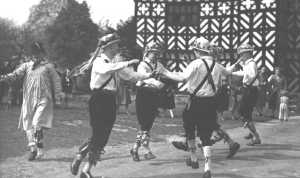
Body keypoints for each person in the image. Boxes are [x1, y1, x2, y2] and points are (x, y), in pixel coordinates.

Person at [70, 33, 153, 178]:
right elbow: (106, 69)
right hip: (98, 99)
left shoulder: (114, 64)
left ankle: (86, 169)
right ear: (108, 47)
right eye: (115, 45)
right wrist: (127, 63)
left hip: (110, 101)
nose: (117, 48)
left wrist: (149, 76)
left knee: (104, 136)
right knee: (98, 134)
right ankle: (80, 156)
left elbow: (131, 76)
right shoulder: (99, 62)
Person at [159, 37, 239, 178]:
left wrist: (164, 71)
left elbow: (182, 78)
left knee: (190, 129)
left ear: (197, 51)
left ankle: (194, 158)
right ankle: (207, 168)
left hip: (195, 102)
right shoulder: (217, 65)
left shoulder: (195, 63)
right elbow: (228, 72)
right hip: (210, 103)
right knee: (206, 135)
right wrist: (236, 65)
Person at [0, 42, 64, 161]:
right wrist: (3, 78)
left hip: (43, 98)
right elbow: (15, 75)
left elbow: (56, 81)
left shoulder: (48, 67)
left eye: (38, 53)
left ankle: (38, 147)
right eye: (34, 54)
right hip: (28, 99)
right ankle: (34, 149)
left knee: (36, 123)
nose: (36, 56)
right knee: (28, 124)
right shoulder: (26, 66)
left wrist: (58, 96)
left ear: (42, 54)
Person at [130, 41, 168, 161]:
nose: (155, 55)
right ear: (147, 52)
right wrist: (160, 84)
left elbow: (166, 74)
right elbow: (145, 78)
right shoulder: (143, 64)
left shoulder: (159, 65)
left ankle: (140, 149)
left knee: (148, 124)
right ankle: (139, 149)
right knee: (145, 124)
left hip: (153, 96)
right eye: (153, 52)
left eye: (157, 53)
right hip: (144, 94)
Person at [232, 43, 262, 146]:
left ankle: (256, 136)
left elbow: (251, 75)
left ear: (247, 54)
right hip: (249, 90)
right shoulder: (248, 64)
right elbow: (244, 73)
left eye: (241, 54)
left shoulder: (251, 64)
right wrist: (233, 73)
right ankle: (252, 132)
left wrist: (244, 75)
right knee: (246, 113)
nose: (240, 57)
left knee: (242, 112)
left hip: (250, 90)